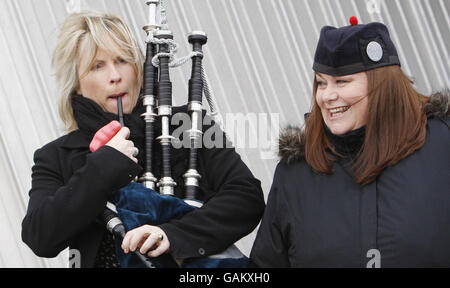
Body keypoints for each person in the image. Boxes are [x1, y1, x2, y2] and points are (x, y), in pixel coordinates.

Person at [21, 11, 265, 268]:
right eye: (97, 66)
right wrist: (103, 165)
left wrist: (172, 234)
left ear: (139, 68)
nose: (115, 76)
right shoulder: (56, 156)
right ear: (76, 84)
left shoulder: (190, 124)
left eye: (123, 60)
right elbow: (40, 236)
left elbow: (246, 197)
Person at [250, 18, 450, 267]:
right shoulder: (297, 173)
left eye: (342, 81)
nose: (327, 96)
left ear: (381, 86)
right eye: (321, 83)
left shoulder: (442, 146)